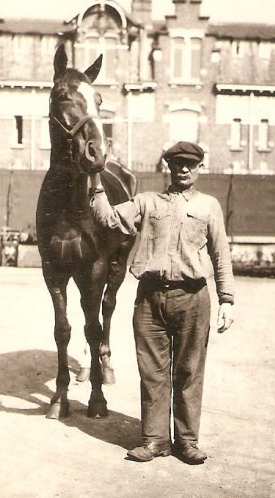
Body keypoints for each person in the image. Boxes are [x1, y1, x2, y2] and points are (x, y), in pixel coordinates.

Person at [89, 141, 234, 465]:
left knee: (189, 371)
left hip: (192, 298)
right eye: (177, 163)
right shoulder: (146, 202)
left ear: (199, 168)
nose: (183, 169)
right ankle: (155, 440)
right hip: (150, 299)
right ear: (168, 167)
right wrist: (96, 182)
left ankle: (186, 442)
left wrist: (227, 300)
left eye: (190, 164)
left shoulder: (209, 206)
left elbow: (220, 253)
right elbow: (109, 220)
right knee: (152, 372)